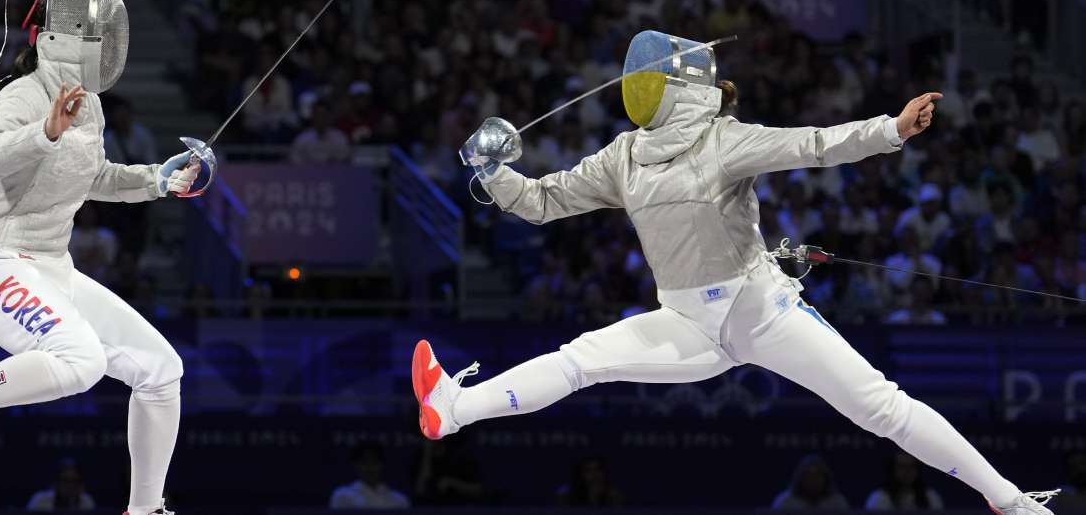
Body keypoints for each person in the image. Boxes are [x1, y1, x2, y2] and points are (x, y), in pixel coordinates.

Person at [413, 31, 1059, 515]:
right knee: (581, 360)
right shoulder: (624, 156)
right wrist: (494, 174)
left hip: (762, 312)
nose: (636, 86)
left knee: (880, 408)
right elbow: (545, 200)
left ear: (680, 86)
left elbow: (814, 143)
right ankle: (454, 406)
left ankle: (1009, 501)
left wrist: (890, 128)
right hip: (686, 323)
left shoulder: (724, 139)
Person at [0, 0, 198, 515]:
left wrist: (157, 180)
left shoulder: (92, 107)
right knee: (81, 362)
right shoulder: (26, 95)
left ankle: (145, 510)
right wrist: (44, 132)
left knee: (161, 368)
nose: (106, 47)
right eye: (97, 36)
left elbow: (92, 174)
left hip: (52, 267)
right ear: (62, 38)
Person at [329, 441, 411, 509]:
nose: (370, 467)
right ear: (356, 465)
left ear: (382, 465)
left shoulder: (400, 500)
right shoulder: (342, 497)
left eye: (374, 462)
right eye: (364, 462)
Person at [865, 451, 945, 510]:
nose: (907, 471)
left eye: (911, 466)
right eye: (902, 466)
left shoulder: (930, 497)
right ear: (893, 469)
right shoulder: (879, 498)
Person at [771, 454, 850, 511]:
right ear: (800, 478)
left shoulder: (838, 502)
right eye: (808, 476)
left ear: (826, 478)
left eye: (818, 476)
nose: (813, 480)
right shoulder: (785, 502)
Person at [26, 458, 97, 511]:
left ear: (81, 484)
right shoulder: (40, 501)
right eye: (65, 480)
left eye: (75, 481)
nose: (70, 486)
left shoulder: (87, 502)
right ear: (56, 483)